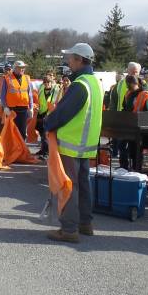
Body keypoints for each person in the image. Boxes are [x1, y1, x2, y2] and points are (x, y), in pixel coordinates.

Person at [44, 43, 103, 243]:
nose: (68, 61)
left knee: (69, 186)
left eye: (70, 58)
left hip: (71, 144)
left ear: (79, 59)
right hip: (86, 146)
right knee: (84, 185)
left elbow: (62, 113)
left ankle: (69, 230)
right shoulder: (94, 83)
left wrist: (47, 123)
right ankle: (85, 224)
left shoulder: (80, 85)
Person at [119, 75, 148, 171]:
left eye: (130, 84)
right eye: (127, 84)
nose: (128, 86)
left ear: (136, 83)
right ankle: (124, 168)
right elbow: (124, 107)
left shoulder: (144, 94)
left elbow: (147, 111)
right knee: (122, 146)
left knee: (136, 150)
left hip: (139, 126)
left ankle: (137, 169)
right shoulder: (128, 93)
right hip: (128, 124)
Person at [0, 60, 33, 139]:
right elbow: (3, 95)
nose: (22, 69)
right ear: (15, 68)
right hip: (12, 110)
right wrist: (5, 107)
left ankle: (22, 150)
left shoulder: (27, 78)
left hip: (24, 109)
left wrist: (31, 107)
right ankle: (13, 150)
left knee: (22, 132)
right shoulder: (7, 78)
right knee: (12, 131)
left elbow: (30, 94)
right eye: (20, 68)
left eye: (23, 68)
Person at [35, 72, 57, 158]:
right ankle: (43, 149)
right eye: (45, 82)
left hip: (49, 114)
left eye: (48, 82)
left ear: (51, 82)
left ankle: (46, 153)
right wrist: (37, 107)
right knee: (41, 133)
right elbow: (38, 100)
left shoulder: (56, 90)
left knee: (45, 134)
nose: (47, 84)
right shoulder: (41, 88)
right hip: (41, 113)